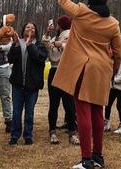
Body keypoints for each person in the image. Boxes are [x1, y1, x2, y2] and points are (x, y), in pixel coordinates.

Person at [52, 0, 121, 169]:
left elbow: (62, 0)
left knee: (82, 113)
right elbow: (118, 52)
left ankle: (86, 160)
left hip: (83, 68)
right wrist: (113, 69)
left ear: (90, 2)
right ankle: (98, 156)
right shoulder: (113, 23)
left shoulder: (82, 12)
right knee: (97, 113)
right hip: (102, 69)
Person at [8, 22, 48, 145]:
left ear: (35, 31)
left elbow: (39, 58)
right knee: (16, 112)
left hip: (32, 85)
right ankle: (15, 135)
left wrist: (30, 44)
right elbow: (10, 58)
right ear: (23, 30)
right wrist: (15, 44)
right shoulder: (17, 43)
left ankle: (28, 135)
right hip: (18, 84)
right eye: (27, 27)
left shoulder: (40, 45)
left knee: (29, 112)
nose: (30, 29)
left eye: (32, 27)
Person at [43, 16, 78, 145]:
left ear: (61, 25)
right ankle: (53, 132)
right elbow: (47, 46)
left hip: (65, 70)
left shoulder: (70, 35)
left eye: (57, 25)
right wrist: (47, 33)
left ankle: (71, 133)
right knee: (56, 104)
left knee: (67, 104)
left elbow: (73, 47)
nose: (56, 27)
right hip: (53, 70)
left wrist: (61, 44)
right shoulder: (55, 37)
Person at [104, 39, 121, 134]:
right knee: (108, 103)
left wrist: (116, 80)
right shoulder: (116, 57)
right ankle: (107, 123)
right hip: (113, 86)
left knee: (119, 105)